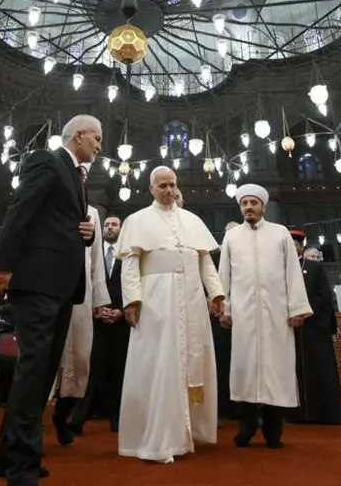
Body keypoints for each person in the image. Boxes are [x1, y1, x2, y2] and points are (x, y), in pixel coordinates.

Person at [0, 114, 102, 486]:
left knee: (41, 372)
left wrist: (83, 233)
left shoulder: (77, 177)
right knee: (32, 372)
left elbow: (55, 222)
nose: (100, 145)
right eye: (97, 138)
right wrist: (4, 266)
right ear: (79, 135)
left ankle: (9, 455)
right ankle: (22, 464)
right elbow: (19, 210)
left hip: (62, 286)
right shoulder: (46, 160)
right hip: (37, 283)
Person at [115, 166, 225, 464]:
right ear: (151, 188)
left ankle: (189, 432)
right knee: (159, 365)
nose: (168, 190)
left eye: (172, 184)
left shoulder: (192, 220)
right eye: (162, 185)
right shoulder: (137, 221)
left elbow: (205, 262)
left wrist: (216, 293)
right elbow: (129, 265)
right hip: (156, 301)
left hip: (191, 300)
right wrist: (132, 301)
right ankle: (159, 436)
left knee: (191, 361)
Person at [218, 185, 311, 448]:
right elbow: (224, 274)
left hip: (277, 313)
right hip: (243, 314)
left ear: (263, 207)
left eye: (253, 203)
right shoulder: (232, 237)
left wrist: (296, 308)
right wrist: (224, 309)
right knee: (245, 369)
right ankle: (246, 426)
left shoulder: (280, 233)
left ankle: (274, 429)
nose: (248, 207)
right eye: (244, 203)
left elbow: (292, 272)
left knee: (276, 370)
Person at [50, 204, 111, 445]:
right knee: (43, 359)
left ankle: (62, 415)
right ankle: (29, 425)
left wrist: (99, 298)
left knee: (80, 359)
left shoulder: (92, 212)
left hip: (81, 295)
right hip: (48, 289)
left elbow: (96, 259)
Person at [75, 215, 126, 433]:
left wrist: (120, 311)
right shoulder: (92, 256)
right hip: (95, 320)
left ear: (121, 229)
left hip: (121, 323)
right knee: (91, 370)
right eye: (107, 225)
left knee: (119, 371)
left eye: (114, 225)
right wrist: (97, 307)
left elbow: (135, 284)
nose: (110, 228)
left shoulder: (128, 254)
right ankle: (78, 418)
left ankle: (117, 418)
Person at [292, 238, 341, 425]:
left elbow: (324, 296)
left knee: (319, 367)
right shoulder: (277, 268)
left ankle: (324, 413)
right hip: (288, 328)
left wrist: (303, 312)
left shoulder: (314, 268)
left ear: (301, 248)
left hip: (312, 327)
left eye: (295, 245)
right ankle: (295, 413)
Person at [212, 222, 240, 426]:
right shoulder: (213, 258)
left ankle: (244, 412)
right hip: (218, 323)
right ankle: (220, 410)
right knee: (221, 368)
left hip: (244, 322)